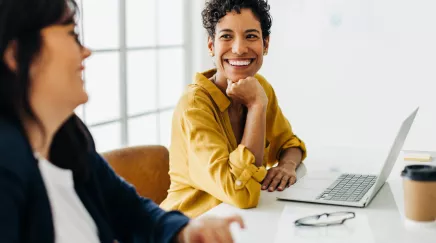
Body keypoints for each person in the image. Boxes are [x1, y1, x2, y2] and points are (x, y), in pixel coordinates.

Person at [0, 0, 244, 242]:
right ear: (17, 54)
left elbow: (130, 211)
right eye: (71, 34)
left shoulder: (68, 138)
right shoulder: (6, 166)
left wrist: (184, 232)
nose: (86, 51)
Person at [161, 0, 307, 218]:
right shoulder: (194, 106)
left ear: (265, 44)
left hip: (242, 223)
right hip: (190, 228)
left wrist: (286, 165)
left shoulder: (260, 87)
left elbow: (289, 144)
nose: (239, 49)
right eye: (226, 36)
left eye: (251, 36)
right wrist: (256, 106)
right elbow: (241, 192)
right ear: (211, 45)